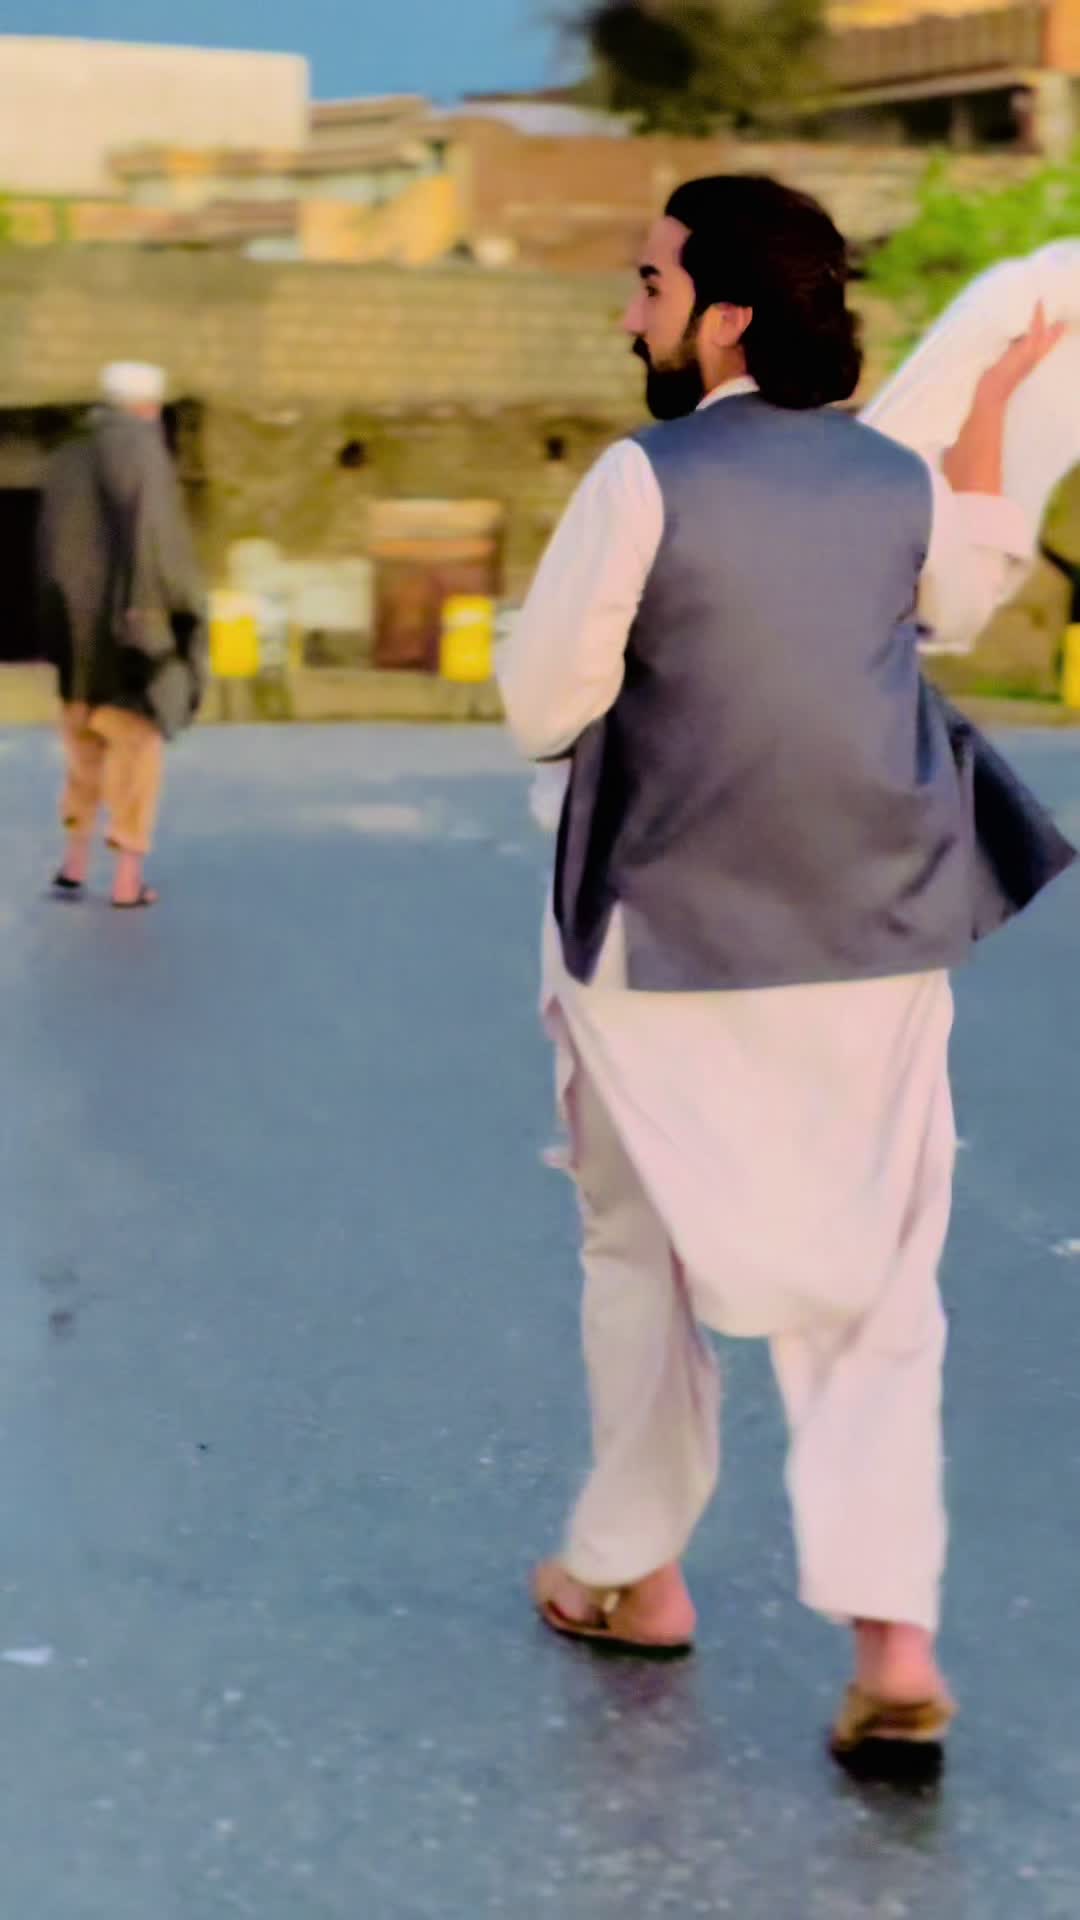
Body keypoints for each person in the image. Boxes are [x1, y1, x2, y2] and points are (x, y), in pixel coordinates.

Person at [497, 175, 1075, 1769]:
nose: (632, 310)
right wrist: (995, 407)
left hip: (659, 937)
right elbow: (964, 590)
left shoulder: (644, 476)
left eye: (651, 282)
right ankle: (895, 1645)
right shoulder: (889, 480)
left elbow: (544, 706)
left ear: (726, 317)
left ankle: (634, 1575)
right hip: (878, 932)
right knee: (880, 1286)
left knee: (644, 1254)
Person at [38, 361, 207, 908]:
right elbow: (156, 543)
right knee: (135, 753)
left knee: (82, 750)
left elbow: (51, 552)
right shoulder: (142, 452)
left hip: (77, 641)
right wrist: (177, 617)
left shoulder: (68, 455)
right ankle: (127, 880)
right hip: (132, 638)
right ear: (147, 406)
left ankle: (73, 866)